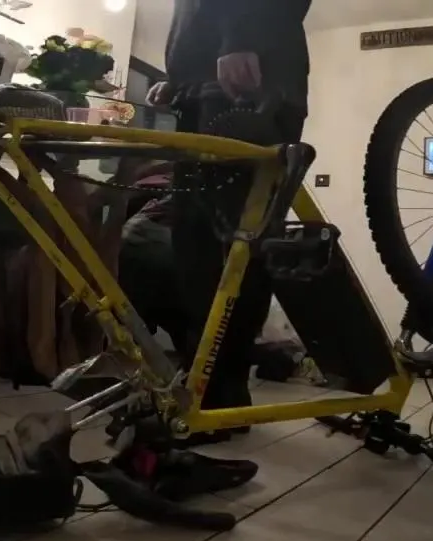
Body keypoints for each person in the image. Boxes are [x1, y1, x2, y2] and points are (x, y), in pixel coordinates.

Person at [149, 0, 314, 444]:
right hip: (207, 85)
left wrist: (242, 37)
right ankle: (205, 387)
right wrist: (180, 76)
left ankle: (220, 396)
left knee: (231, 246)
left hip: (246, 80)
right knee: (196, 244)